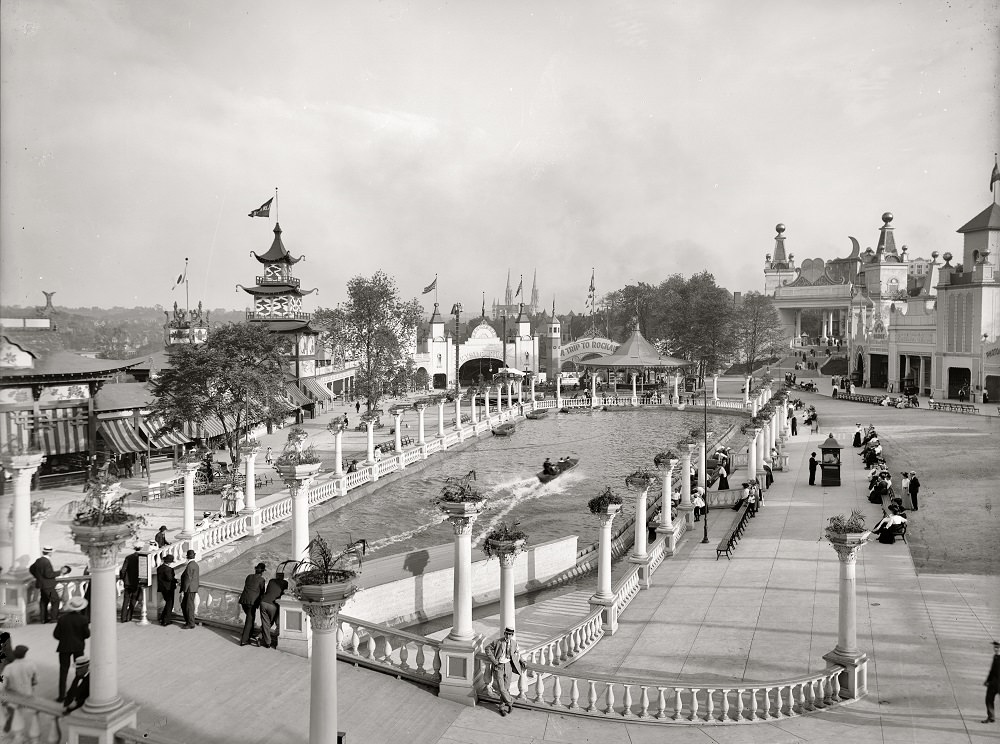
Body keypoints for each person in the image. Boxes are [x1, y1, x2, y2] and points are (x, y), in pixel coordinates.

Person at [53, 597, 89, 703]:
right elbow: (87, 634)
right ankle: (76, 693)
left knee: (63, 672)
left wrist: (64, 639)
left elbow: (56, 634)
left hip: (64, 647)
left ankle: (61, 696)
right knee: (80, 671)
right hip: (78, 647)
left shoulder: (62, 618)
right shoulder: (83, 619)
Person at [484, 627, 524, 716]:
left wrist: (522, 661)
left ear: (512, 635)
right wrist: (494, 660)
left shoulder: (514, 643)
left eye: (510, 634)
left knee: (505, 689)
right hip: (499, 667)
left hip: (509, 666)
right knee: (501, 688)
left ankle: (501, 708)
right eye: (506, 633)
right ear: (504, 633)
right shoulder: (497, 642)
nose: (508, 635)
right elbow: (487, 649)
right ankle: (510, 703)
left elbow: (517, 653)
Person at [3, 645, 38, 733]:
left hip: (14, 695)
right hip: (27, 694)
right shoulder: (31, 665)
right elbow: (35, 681)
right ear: (25, 654)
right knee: (20, 712)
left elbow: (2, 684)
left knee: (11, 706)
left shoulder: (9, 668)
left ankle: (11, 719)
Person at [238, 562, 267, 647]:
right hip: (252, 602)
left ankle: (248, 635)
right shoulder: (262, 580)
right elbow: (262, 592)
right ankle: (244, 640)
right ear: (262, 572)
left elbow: (248, 586)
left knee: (250, 618)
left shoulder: (249, 576)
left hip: (244, 600)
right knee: (249, 620)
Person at [29, 546, 59, 623]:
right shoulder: (46, 561)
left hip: (42, 585)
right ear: (49, 553)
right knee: (55, 600)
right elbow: (49, 574)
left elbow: (31, 569)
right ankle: (54, 618)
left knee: (44, 601)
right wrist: (60, 572)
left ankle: (43, 619)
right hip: (48, 585)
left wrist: (38, 577)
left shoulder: (38, 560)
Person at [259, 573, 288, 650]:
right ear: (283, 577)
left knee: (265, 622)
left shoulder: (271, 581)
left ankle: (262, 638)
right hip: (273, 605)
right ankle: (268, 641)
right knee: (270, 623)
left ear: (276, 576)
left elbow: (268, 590)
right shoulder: (285, 583)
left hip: (263, 602)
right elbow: (284, 593)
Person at [118, 543, 142, 623]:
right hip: (136, 583)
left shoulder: (128, 557)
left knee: (126, 600)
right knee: (133, 600)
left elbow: (123, 570)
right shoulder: (142, 558)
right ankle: (129, 616)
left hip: (128, 583)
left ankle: (123, 617)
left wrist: (122, 578)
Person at [180, 550, 199, 629]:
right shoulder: (195, 564)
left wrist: (183, 590)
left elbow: (188, 579)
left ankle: (190, 623)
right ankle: (189, 621)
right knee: (187, 605)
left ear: (187, 557)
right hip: (193, 588)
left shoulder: (190, 566)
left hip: (189, 589)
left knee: (188, 606)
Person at [156, 555, 177, 627]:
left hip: (162, 588)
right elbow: (169, 578)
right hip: (169, 589)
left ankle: (162, 617)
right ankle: (166, 620)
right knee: (170, 604)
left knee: (168, 602)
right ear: (169, 562)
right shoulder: (168, 569)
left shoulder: (159, 568)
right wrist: (175, 581)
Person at [984, 640, 1000, 723]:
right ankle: (991, 716)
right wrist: (988, 680)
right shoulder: (995, 657)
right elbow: (992, 671)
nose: (996, 649)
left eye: (997, 647)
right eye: (995, 647)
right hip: (993, 683)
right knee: (988, 699)